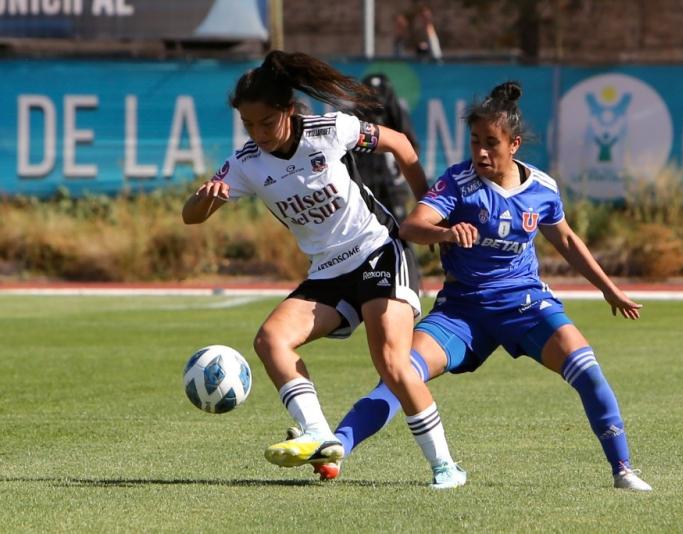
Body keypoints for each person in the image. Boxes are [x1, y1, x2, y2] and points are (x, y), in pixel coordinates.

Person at [303, 81, 652, 491]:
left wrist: (608, 289)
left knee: (587, 369)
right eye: (475, 141)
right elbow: (414, 226)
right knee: (400, 375)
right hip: (460, 312)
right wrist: (448, 233)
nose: (481, 152)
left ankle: (623, 470)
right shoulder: (458, 183)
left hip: (525, 305)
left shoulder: (541, 189)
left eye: (492, 142)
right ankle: (336, 448)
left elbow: (569, 241)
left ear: (514, 144)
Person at [181, 50, 466, 489]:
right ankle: (318, 434)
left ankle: (445, 466)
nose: (258, 134)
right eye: (248, 126)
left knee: (391, 360)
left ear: (289, 110)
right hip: (328, 273)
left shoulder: (330, 130)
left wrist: (431, 212)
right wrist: (207, 198)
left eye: (265, 123)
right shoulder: (246, 162)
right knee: (271, 339)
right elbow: (190, 216)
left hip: (377, 251)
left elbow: (403, 146)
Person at [354, 73, 418, 222]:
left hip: (392, 185)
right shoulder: (355, 120)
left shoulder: (396, 116)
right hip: (366, 182)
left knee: (399, 227)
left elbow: (410, 144)